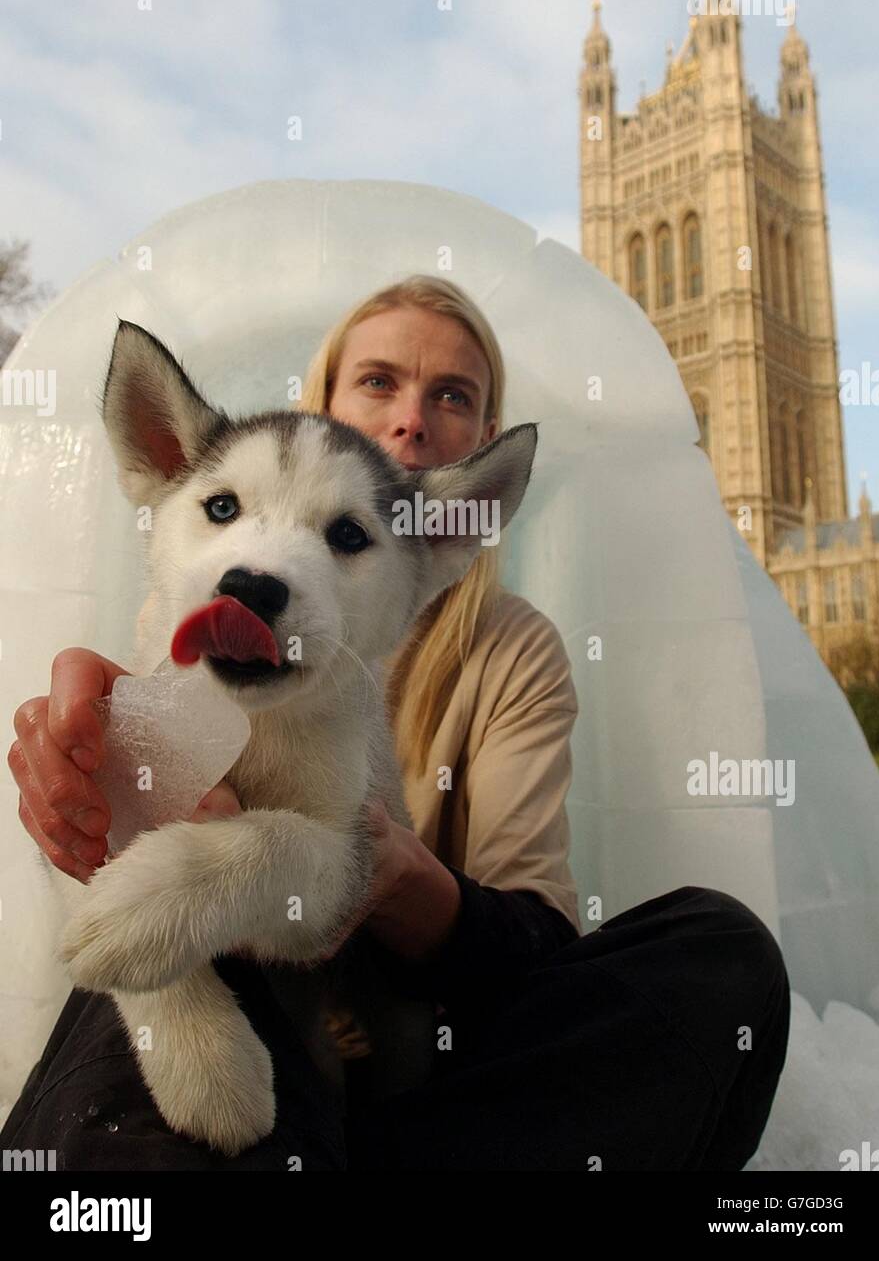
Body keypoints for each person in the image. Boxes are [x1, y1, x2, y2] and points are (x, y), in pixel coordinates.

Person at [2, 276, 791, 1170]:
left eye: (451, 395)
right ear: (320, 405)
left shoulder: (512, 647)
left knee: (722, 952)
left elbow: (535, 939)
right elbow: (109, 889)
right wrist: (87, 797)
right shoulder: (173, 624)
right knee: (166, 949)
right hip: (254, 1051)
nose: (412, 419)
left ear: (458, 510)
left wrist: (377, 870)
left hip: (421, 1047)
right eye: (378, 381)